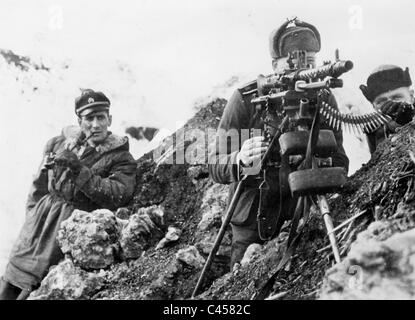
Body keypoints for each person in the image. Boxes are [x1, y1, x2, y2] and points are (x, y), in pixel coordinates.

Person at [208, 18, 349, 268]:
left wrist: (322, 160)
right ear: (274, 65)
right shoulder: (246, 99)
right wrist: (240, 160)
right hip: (253, 222)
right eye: (292, 61)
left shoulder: (323, 97)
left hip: (303, 214)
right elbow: (215, 165)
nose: (301, 69)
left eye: (310, 63)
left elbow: (340, 160)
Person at [0, 89, 137, 299]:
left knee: (36, 289)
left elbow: (118, 194)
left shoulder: (121, 157)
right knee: (9, 282)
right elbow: (39, 185)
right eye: (89, 118)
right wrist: (32, 218)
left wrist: (78, 170)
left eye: (101, 117)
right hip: (36, 229)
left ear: (110, 119)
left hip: (67, 233)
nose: (96, 124)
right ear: (80, 122)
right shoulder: (59, 143)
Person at [360, 65, 415, 154]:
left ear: (411, 96)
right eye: (381, 101)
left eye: (397, 97)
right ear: (373, 106)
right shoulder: (374, 130)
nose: (390, 105)